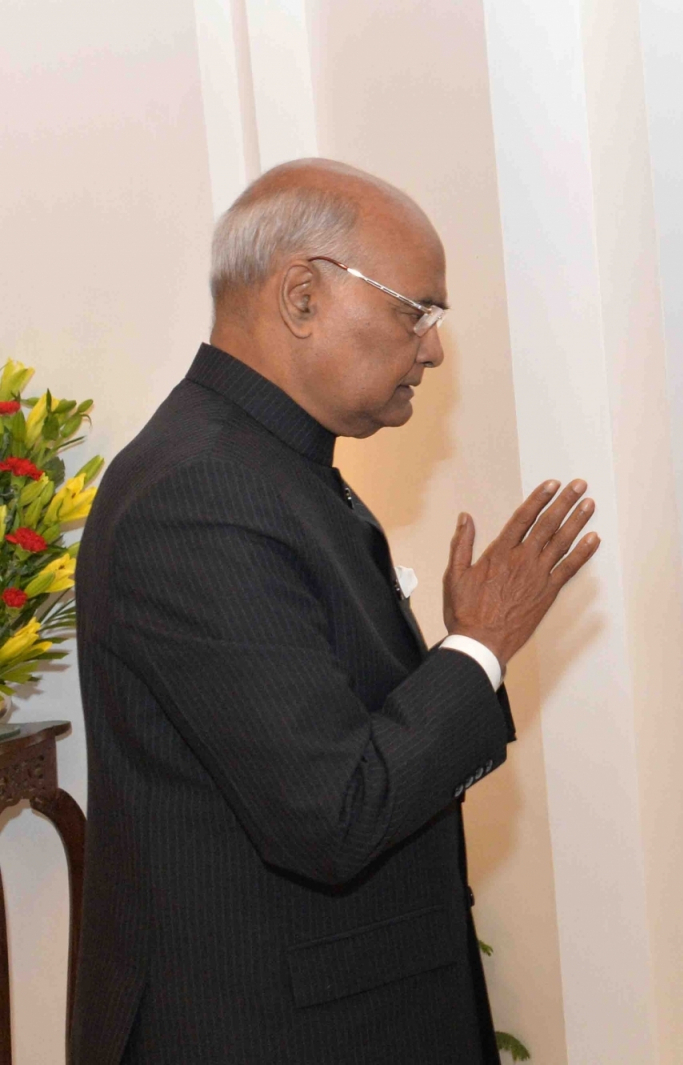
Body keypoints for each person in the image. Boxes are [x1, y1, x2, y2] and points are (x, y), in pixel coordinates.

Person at [72, 159, 600, 1064]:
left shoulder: (271, 465)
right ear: (303, 295)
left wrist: (460, 654)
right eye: (416, 311)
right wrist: (478, 648)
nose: (433, 349)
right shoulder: (202, 494)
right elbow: (336, 813)